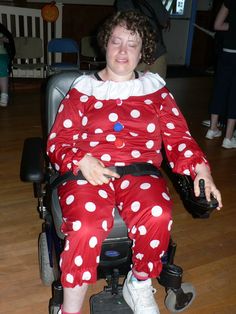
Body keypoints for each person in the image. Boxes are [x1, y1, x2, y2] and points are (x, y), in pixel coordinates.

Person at [47, 10, 222, 314]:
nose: (123, 51)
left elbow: (179, 137)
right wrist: (80, 160)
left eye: (132, 43)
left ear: (143, 51)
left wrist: (200, 168)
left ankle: (138, 284)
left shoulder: (155, 90)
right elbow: (58, 143)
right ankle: (70, 310)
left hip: (141, 173)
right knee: (87, 226)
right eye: (116, 41)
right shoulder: (83, 90)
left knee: (157, 214)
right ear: (105, 44)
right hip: (89, 173)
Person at [205, 0, 236, 149]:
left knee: (220, 89)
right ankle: (228, 138)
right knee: (234, 95)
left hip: (226, 51)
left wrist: (232, 26)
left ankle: (212, 129)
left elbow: (217, 25)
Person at [115, 0, 170, 78]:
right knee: (154, 87)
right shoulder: (124, 2)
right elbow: (165, 22)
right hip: (147, 52)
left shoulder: (123, 2)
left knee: (133, 86)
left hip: (143, 52)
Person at [0, 23, 15, 107]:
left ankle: (4, 95)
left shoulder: (1, 28)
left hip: (2, 53)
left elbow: (9, 39)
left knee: (1, 63)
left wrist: (3, 39)